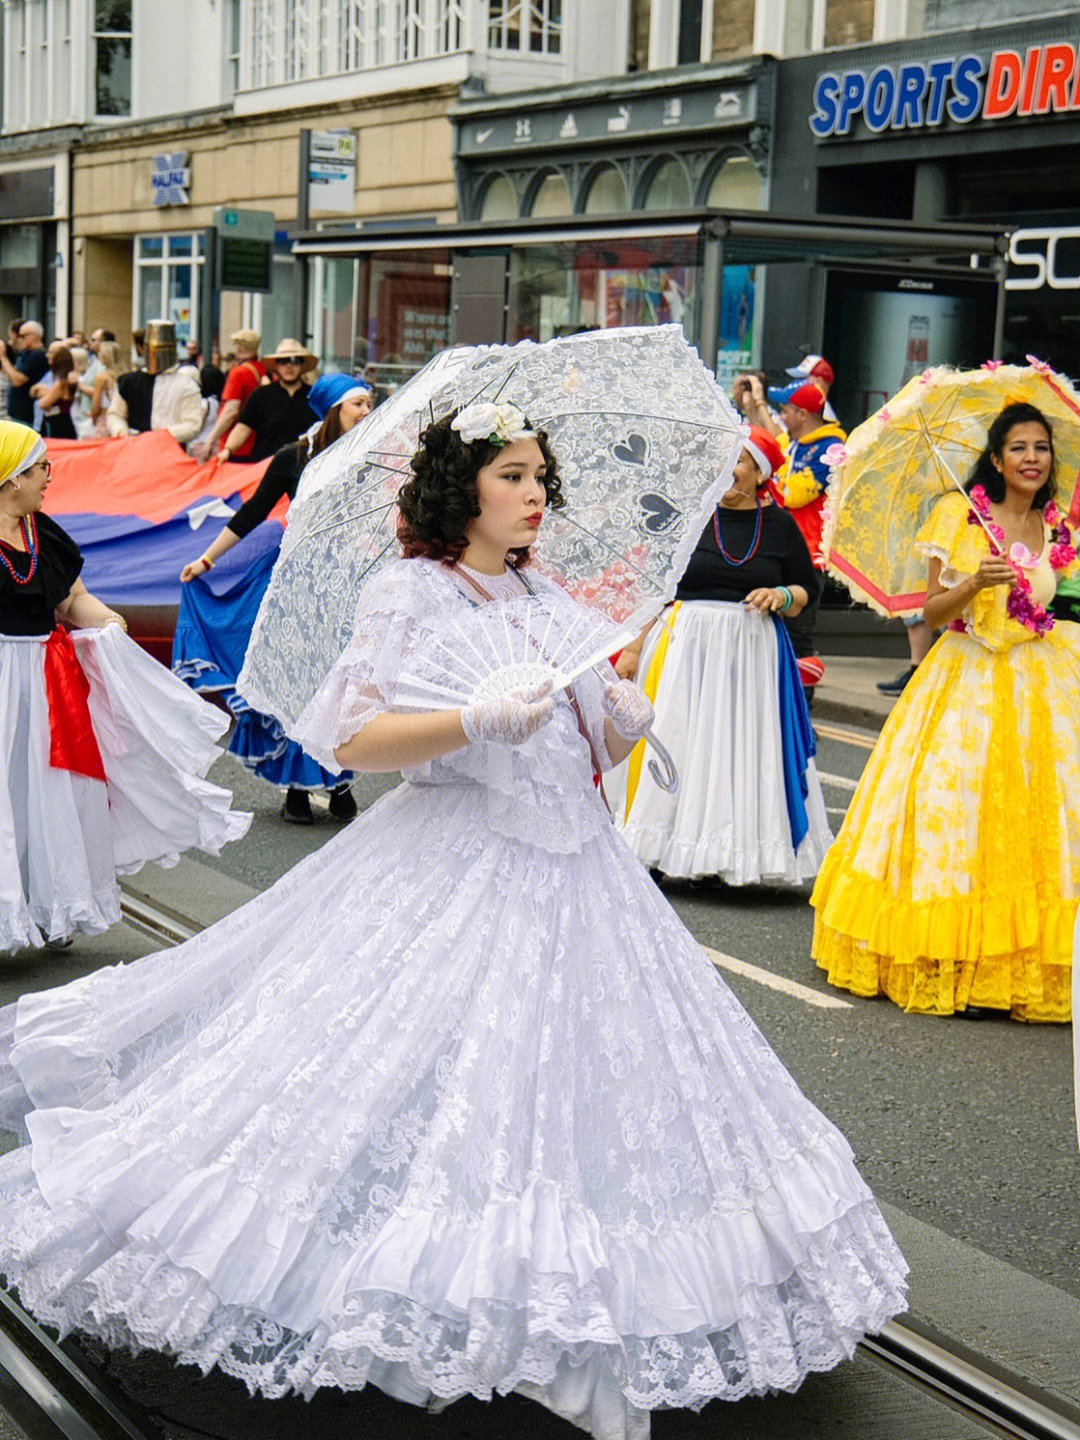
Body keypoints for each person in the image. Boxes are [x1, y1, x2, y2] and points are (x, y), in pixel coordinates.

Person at [0, 398, 906, 1439]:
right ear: (460, 488)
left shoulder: (542, 592)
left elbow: (583, 756)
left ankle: (563, 1306)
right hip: (457, 864)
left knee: (578, 1093)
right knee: (421, 1072)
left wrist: (617, 717)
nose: (535, 496)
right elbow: (357, 739)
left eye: (538, 478)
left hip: (584, 879)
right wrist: (473, 717)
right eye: (514, 475)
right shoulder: (411, 591)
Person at [812, 401, 1080, 1022]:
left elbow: (1048, 600)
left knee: (1039, 821)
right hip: (968, 676)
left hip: (1043, 683)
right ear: (995, 458)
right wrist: (974, 584)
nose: (1032, 459)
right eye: (1018, 448)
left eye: (1040, 448)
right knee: (958, 817)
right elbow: (931, 612)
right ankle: (952, 957)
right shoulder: (958, 516)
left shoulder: (1055, 523)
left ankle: (1024, 956)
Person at [0, 420, 251, 954]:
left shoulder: (45, 535)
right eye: (40, 466)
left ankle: (47, 904)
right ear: (10, 479)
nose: (50, 475)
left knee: (44, 798)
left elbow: (70, 602)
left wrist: (107, 620)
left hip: (46, 689)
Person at [608, 427, 832, 885]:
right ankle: (659, 845)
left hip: (752, 653)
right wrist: (632, 649)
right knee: (677, 740)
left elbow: (809, 588)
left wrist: (782, 596)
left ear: (759, 473)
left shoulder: (781, 526)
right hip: (683, 648)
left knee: (741, 749)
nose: (728, 469)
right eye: (722, 457)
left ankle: (731, 854)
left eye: (740, 460)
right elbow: (658, 587)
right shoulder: (688, 517)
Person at [175, 374, 373, 823]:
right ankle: (296, 790)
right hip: (296, 582)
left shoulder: (372, 457)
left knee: (343, 684)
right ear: (333, 410)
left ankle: (340, 780)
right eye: (358, 404)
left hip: (347, 583)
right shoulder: (294, 457)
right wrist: (205, 561)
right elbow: (251, 514)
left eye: (368, 403)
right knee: (300, 682)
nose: (366, 411)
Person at [216, 338, 316, 464]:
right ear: (277, 366)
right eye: (283, 361)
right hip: (265, 469)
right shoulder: (261, 395)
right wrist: (228, 450)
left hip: (304, 470)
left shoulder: (314, 396)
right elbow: (243, 427)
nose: (289, 366)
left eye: (295, 361)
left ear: (302, 365)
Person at [106, 320, 203, 445]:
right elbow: (115, 415)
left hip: (170, 450)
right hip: (134, 448)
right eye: (151, 349)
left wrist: (158, 436)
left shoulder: (186, 385)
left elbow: (192, 424)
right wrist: (121, 431)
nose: (155, 355)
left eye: (160, 349)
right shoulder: (129, 382)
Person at [191, 328, 264, 462]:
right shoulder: (263, 370)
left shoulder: (238, 373)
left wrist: (210, 440)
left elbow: (230, 411)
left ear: (239, 348)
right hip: (259, 443)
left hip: (236, 446)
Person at [0, 320, 48, 429]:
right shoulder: (25, 355)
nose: (18, 339)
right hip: (17, 415)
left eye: (22, 336)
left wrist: (3, 357)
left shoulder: (38, 356)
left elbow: (17, 380)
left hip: (27, 416)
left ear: (34, 336)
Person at [31, 344, 78, 440]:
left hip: (58, 423)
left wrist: (45, 391)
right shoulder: (68, 380)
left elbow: (43, 404)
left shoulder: (61, 384)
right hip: (65, 422)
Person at [89, 340, 124, 436]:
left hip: (105, 420)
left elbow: (95, 406)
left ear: (104, 357)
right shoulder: (126, 376)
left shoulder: (101, 378)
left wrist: (93, 419)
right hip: (122, 422)